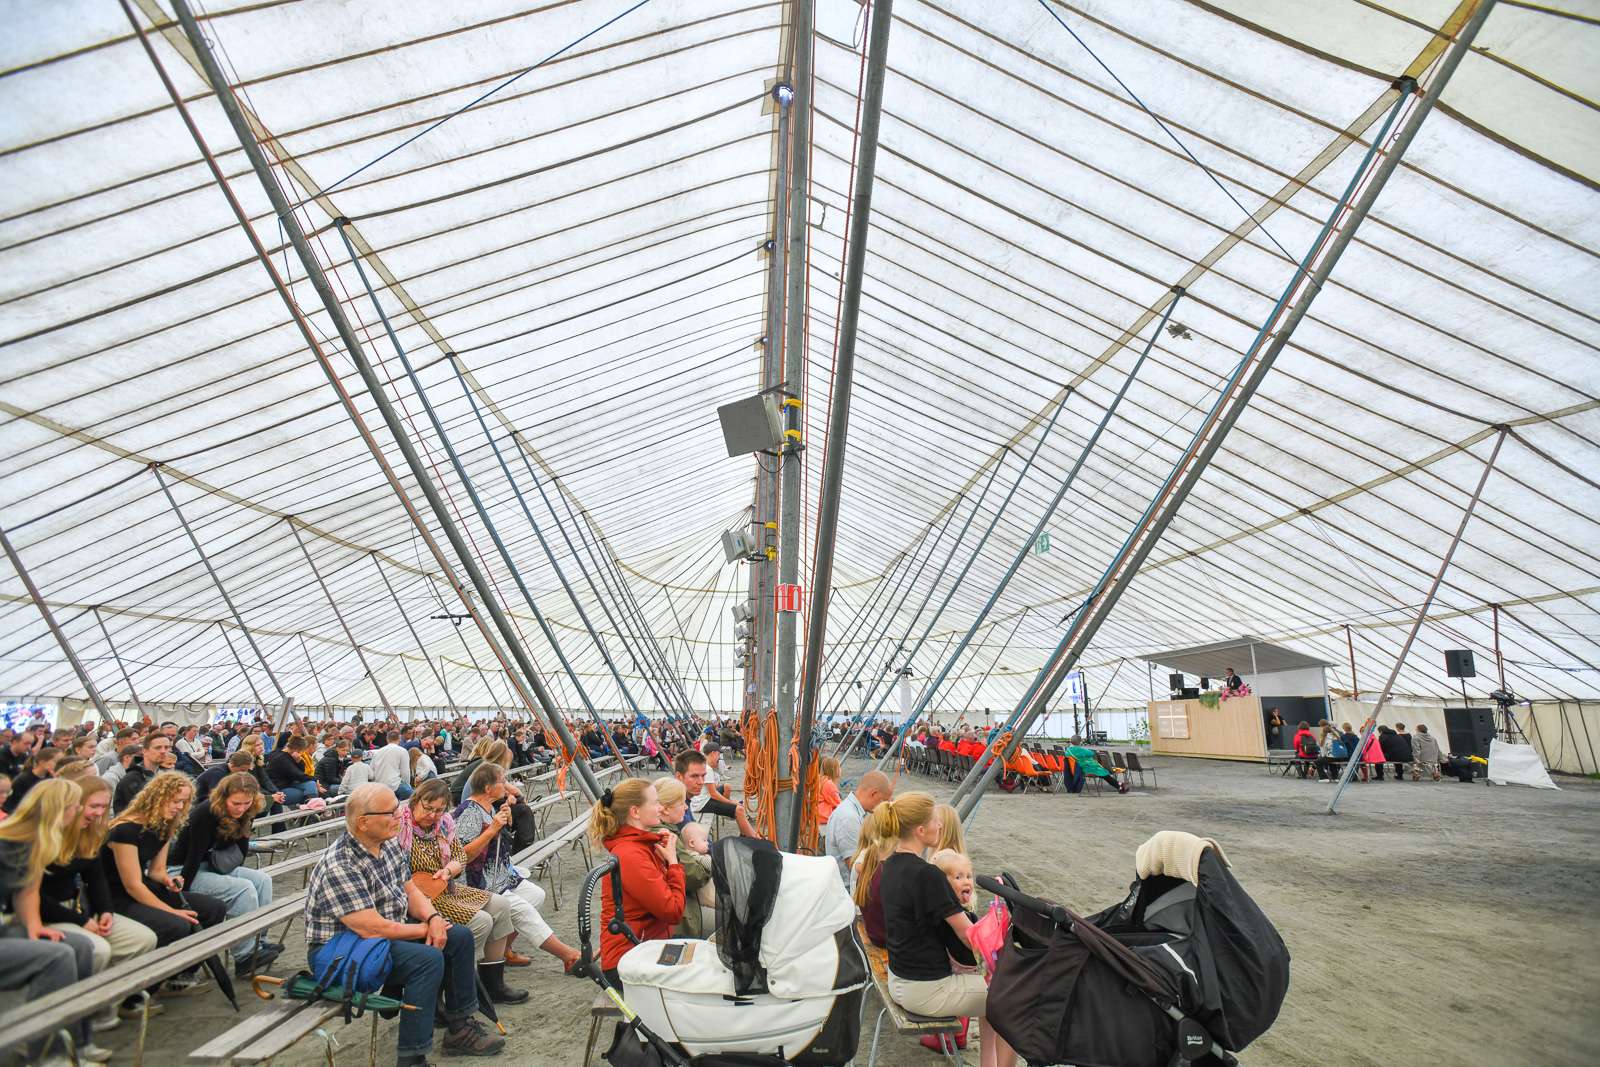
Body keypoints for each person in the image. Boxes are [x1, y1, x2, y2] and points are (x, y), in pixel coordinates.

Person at [303, 784, 504, 1064]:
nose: (400, 815)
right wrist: (424, 929)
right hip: (340, 951)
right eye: (390, 812)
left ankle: (459, 1028)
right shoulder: (341, 863)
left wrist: (433, 919)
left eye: (397, 809)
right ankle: (412, 1057)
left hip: (377, 937)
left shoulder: (386, 843)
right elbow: (370, 928)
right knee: (428, 959)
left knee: (458, 937)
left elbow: (410, 890)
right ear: (363, 822)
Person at [874, 792, 1014, 1067]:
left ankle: (990, 1062)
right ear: (920, 830)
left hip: (900, 979)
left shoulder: (891, 864)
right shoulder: (927, 874)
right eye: (936, 821)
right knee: (1013, 996)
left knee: (994, 991)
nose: (940, 825)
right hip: (927, 990)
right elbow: (969, 935)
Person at [0, 778, 110, 1062]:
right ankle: (49, 1056)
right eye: (76, 807)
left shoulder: (39, 841)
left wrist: (34, 928)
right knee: (56, 957)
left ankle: (78, 1042)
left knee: (81, 946)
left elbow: (27, 892)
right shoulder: (6, 841)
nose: (78, 813)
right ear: (58, 810)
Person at [36, 776, 159, 1025]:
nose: (99, 813)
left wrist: (105, 912)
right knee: (98, 950)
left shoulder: (88, 835)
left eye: (104, 807)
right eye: (93, 806)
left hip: (81, 910)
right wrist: (82, 921)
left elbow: (96, 878)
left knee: (143, 940)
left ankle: (104, 1006)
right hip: (48, 915)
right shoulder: (42, 838)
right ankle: (73, 1017)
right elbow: (34, 897)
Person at [398, 779, 527, 1004]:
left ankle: (493, 985)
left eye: (439, 810)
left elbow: (459, 855)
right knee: (481, 921)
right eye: (427, 808)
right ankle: (454, 982)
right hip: (420, 896)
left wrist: (448, 870)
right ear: (415, 801)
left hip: (445, 886)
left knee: (501, 905)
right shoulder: (401, 826)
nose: (433, 815)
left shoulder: (444, 824)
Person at [103, 771, 228, 997]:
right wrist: (172, 911)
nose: (179, 807)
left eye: (183, 802)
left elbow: (157, 871)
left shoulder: (164, 824)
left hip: (145, 887)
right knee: (176, 923)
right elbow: (132, 885)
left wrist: (169, 880)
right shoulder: (124, 830)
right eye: (175, 801)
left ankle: (180, 974)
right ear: (157, 798)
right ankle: (143, 989)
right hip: (118, 896)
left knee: (214, 909)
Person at [453, 762, 579, 972]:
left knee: (536, 895)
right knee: (522, 909)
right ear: (488, 788)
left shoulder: (489, 806)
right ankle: (569, 956)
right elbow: (461, 856)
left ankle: (504, 949)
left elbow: (499, 840)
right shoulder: (468, 812)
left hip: (500, 874)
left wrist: (506, 821)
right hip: (477, 882)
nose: (505, 784)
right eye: (501, 781)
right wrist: (492, 829)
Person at [169, 773, 281, 977]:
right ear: (224, 797)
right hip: (183, 869)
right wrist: (181, 894)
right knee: (243, 889)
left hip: (213, 863)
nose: (241, 808)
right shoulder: (206, 812)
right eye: (236, 803)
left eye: (246, 803)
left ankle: (258, 942)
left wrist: (236, 872)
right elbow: (193, 856)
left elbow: (242, 847)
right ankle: (245, 955)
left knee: (262, 880)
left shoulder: (248, 810)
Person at [590, 778, 683, 985]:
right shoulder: (631, 854)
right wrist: (673, 863)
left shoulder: (639, 845)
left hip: (642, 947)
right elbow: (673, 912)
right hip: (628, 960)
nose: (660, 808)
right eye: (655, 802)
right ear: (635, 812)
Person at [650, 777, 712, 939]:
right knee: (735, 923)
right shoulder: (666, 836)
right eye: (682, 803)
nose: (686, 807)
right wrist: (705, 862)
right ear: (665, 809)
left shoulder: (660, 830)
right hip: (682, 917)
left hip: (676, 909)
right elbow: (694, 876)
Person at [823, 769, 890, 880]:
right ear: (873, 794)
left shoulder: (855, 811)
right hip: (847, 887)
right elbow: (856, 866)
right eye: (884, 800)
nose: (885, 804)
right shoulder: (849, 819)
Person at [673, 749, 756, 837]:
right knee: (738, 809)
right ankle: (752, 838)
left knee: (727, 787)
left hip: (702, 800)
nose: (701, 782)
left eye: (703, 776)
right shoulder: (678, 810)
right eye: (694, 776)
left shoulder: (684, 802)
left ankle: (754, 838)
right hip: (702, 803)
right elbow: (713, 794)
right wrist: (732, 803)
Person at [266, 735, 326, 807]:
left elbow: (300, 772)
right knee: (306, 794)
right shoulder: (281, 758)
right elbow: (297, 774)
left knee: (311, 784)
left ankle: (311, 809)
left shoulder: (285, 754)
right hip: (279, 788)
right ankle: (311, 809)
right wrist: (315, 780)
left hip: (288, 784)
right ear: (297, 750)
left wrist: (298, 761)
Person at [4, 745, 60, 814]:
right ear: (43, 762)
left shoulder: (50, 776)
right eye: (57, 762)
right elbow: (13, 804)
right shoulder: (24, 779)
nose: (59, 765)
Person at [370, 730, 413, 800]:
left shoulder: (377, 752)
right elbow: (405, 772)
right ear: (399, 739)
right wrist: (407, 785)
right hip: (395, 784)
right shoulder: (402, 751)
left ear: (387, 740)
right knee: (416, 798)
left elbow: (372, 770)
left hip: (380, 785)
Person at [817, 757, 843, 826]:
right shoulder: (829, 784)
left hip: (817, 812)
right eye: (839, 767)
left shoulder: (821, 779)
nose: (840, 770)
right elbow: (838, 803)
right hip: (824, 815)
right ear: (833, 769)